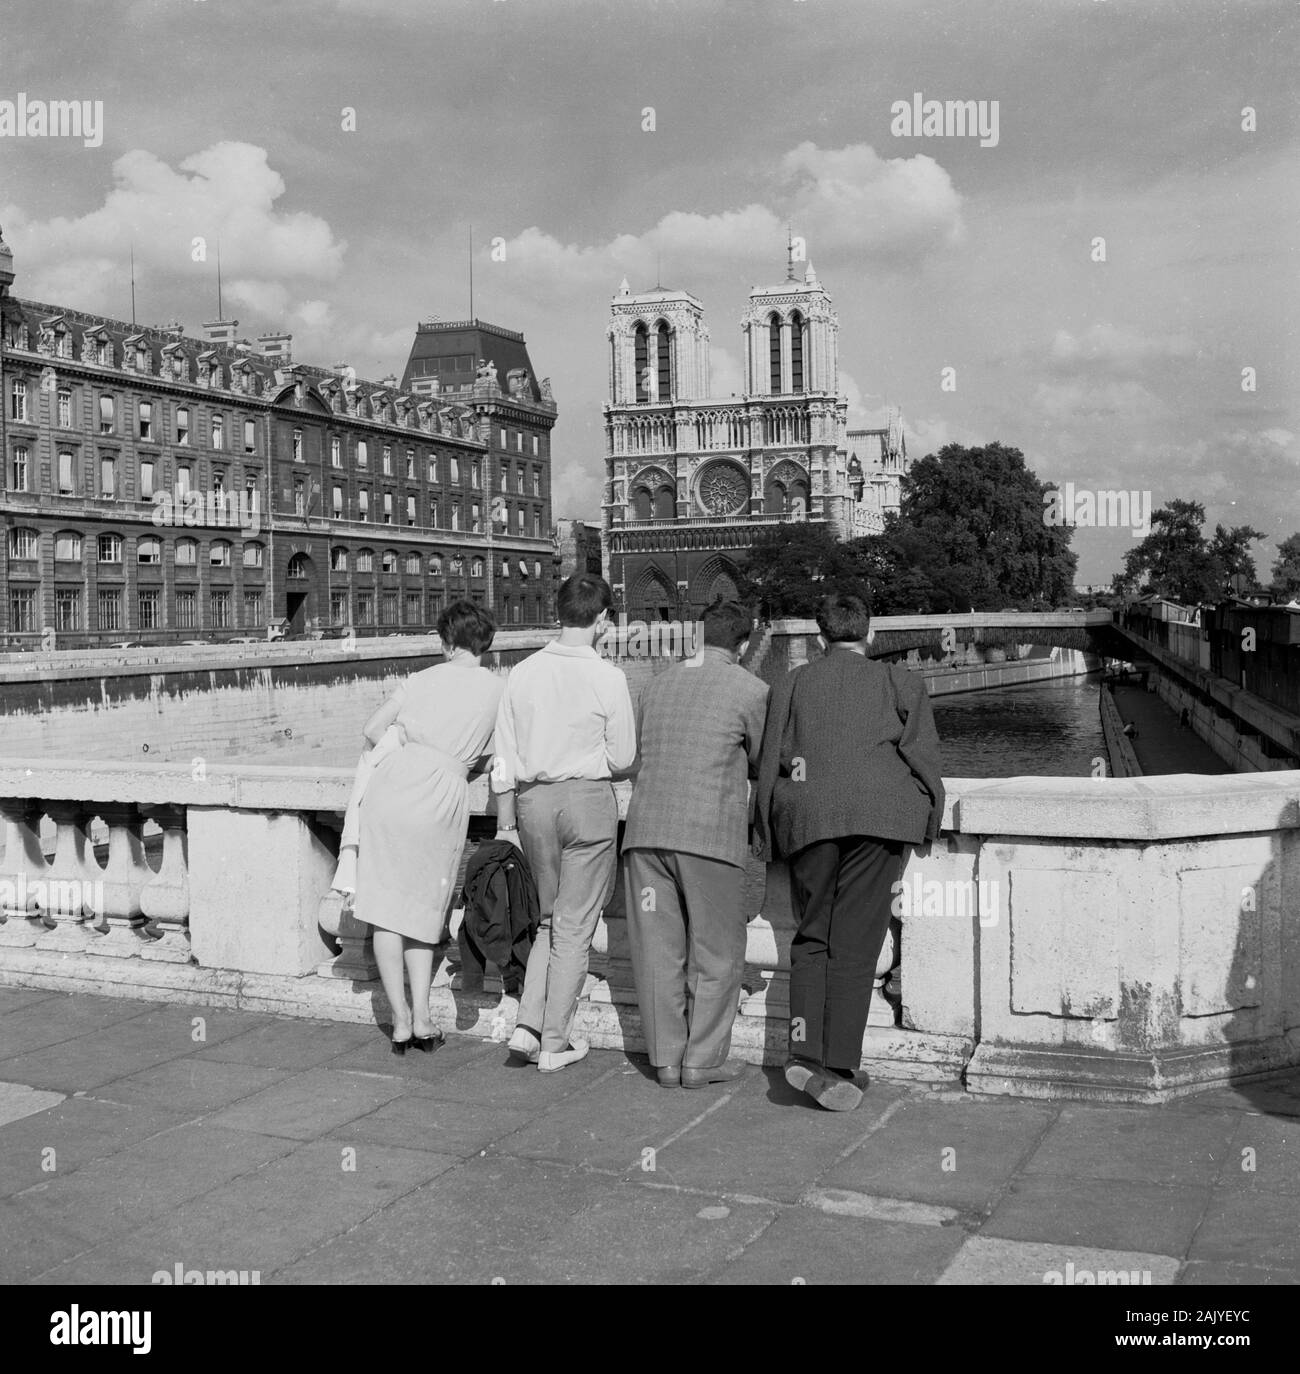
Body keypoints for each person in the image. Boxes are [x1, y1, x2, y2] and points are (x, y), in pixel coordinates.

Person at [753, 592, 945, 1111]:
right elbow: (923, 758)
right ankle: (839, 1065)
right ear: (871, 634)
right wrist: (931, 817)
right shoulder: (899, 681)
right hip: (880, 818)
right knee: (857, 946)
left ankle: (802, 1051)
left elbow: (771, 759)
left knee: (811, 936)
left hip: (808, 815)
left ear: (820, 638)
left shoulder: (792, 682)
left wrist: (766, 834)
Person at [621, 598, 768, 1088]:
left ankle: (664, 1059)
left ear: (696, 638)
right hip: (709, 837)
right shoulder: (752, 690)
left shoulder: (657, 686)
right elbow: (766, 761)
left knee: (656, 950)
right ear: (744, 645)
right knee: (716, 952)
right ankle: (701, 1062)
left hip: (644, 835)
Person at [491, 574, 635, 1073]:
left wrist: (506, 819)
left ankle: (527, 1027)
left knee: (549, 920)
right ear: (602, 620)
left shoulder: (522, 672)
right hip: (587, 801)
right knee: (574, 928)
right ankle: (555, 1042)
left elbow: (503, 759)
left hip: (532, 805)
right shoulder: (609, 677)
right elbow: (623, 759)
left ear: (559, 614)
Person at [353, 600, 503, 1054]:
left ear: (446, 641)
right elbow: (498, 756)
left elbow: (372, 729)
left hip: (392, 789)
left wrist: (410, 756)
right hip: (442, 796)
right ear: (485, 644)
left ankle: (399, 1023)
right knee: (425, 909)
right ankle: (422, 1017)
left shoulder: (418, 680)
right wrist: (461, 765)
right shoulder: (497, 689)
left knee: (385, 910)